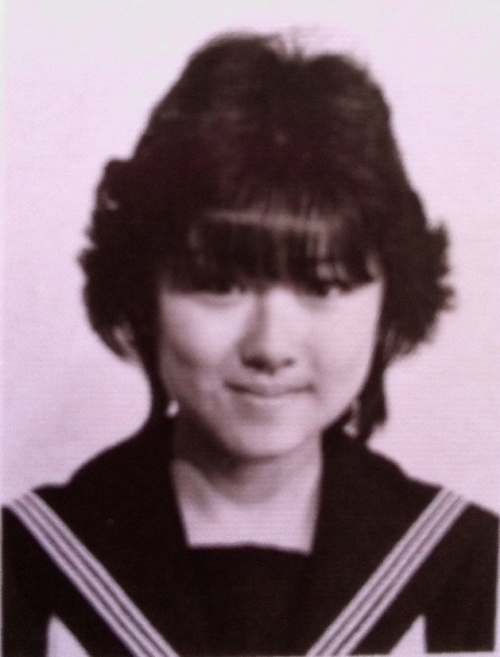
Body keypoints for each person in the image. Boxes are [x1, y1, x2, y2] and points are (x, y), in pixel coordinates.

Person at [3, 31, 498, 656]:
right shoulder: (26, 566)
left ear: (389, 302)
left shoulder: (468, 569)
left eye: (323, 287)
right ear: (143, 296)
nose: (271, 347)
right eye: (220, 285)